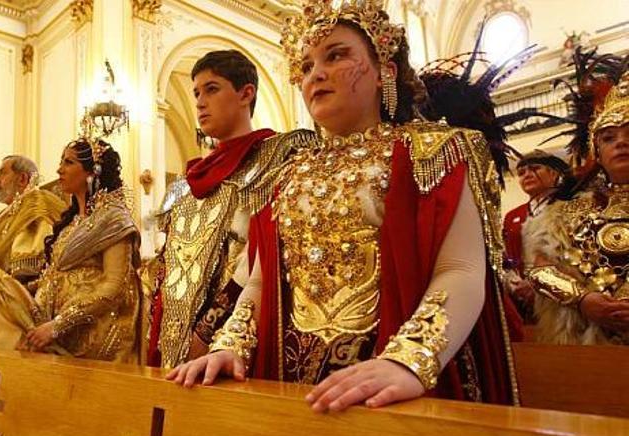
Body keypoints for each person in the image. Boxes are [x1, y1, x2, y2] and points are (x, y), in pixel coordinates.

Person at [168, 0, 517, 411]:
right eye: (307, 65)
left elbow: (460, 270)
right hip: (294, 380)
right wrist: (231, 345)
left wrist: (409, 360)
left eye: (336, 55)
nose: (315, 73)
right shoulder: (286, 173)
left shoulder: (433, 152)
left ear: (384, 70)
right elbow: (261, 282)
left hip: (396, 380)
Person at [147, 49, 314, 369]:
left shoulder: (282, 155)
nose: (199, 101)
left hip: (241, 336)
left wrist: (208, 329)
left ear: (245, 93)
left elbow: (265, 253)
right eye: (196, 92)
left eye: (211, 89)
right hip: (172, 338)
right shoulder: (185, 184)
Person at [0, 137, 141, 361]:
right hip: (55, 330)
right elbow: (54, 277)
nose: (59, 169)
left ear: (93, 171)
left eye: (69, 163)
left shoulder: (113, 218)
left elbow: (114, 286)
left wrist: (59, 324)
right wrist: (7, 287)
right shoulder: (70, 224)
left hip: (95, 337)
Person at [525, 60, 629, 345]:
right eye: (609, 137)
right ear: (597, 150)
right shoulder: (562, 215)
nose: (620, 142)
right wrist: (582, 299)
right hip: (586, 344)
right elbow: (539, 270)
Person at [502, 151, 569, 321]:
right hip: (522, 297)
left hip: (563, 292)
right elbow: (506, 255)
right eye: (522, 173)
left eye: (535, 169)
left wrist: (539, 284)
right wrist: (515, 284)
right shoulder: (512, 216)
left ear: (554, 174)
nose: (527, 175)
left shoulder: (569, 207)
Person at [0, 155, 65, 283]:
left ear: (22, 179)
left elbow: (28, 270)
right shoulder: (8, 213)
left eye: (2, 173)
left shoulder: (35, 205)